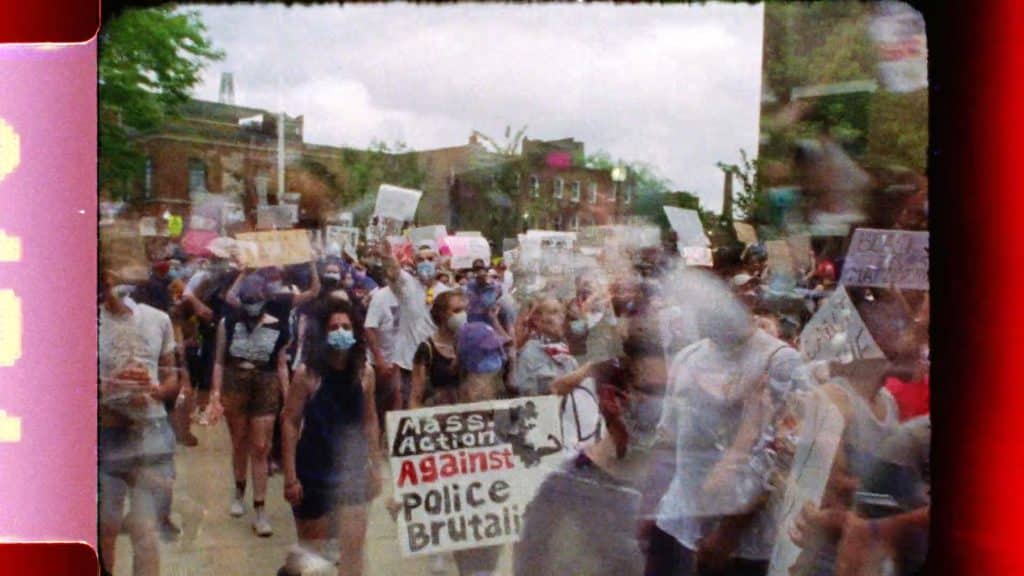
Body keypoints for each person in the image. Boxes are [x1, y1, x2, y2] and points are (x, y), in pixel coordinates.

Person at [643, 281, 810, 576]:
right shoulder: (688, 356)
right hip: (676, 523)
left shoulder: (779, 361)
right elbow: (668, 440)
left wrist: (727, 535)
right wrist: (652, 506)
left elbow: (780, 459)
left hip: (741, 545)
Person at [514, 310, 668, 576]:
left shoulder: (682, 481)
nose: (669, 404)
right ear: (613, 399)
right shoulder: (564, 490)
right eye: (655, 392)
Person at [280, 298, 383, 576]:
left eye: (346, 326)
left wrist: (376, 464)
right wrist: (290, 476)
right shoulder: (307, 374)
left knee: (353, 551)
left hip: (353, 472)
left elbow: (370, 420)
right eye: (334, 326)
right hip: (314, 472)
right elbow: (290, 422)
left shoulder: (365, 373)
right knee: (313, 554)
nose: (340, 331)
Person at [99, 268, 180, 576]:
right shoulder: (87, 323)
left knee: (145, 531)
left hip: (151, 432)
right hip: (107, 432)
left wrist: (160, 390)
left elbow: (171, 376)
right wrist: (112, 386)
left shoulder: (158, 319)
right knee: (106, 524)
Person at [207, 273, 291, 537]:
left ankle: (260, 509)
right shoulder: (228, 323)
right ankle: (239, 489)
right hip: (235, 381)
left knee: (261, 447)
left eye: (256, 299)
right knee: (240, 442)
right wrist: (215, 393)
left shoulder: (279, 327)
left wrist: (288, 401)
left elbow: (280, 366)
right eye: (248, 299)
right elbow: (219, 360)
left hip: (265, 383)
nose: (252, 304)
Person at [409, 290, 467, 409]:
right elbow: (416, 396)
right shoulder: (427, 349)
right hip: (438, 418)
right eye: (456, 311)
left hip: (469, 418)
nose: (463, 315)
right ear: (442, 314)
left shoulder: (470, 344)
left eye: (465, 310)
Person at [465, 258, 502, 323]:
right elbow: (469, 299)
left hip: (489, 315)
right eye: (476, 268)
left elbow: (499, 295)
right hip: (474, 315)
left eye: (480, 267)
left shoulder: (494, 284)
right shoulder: (471, 284)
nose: (478, 270)